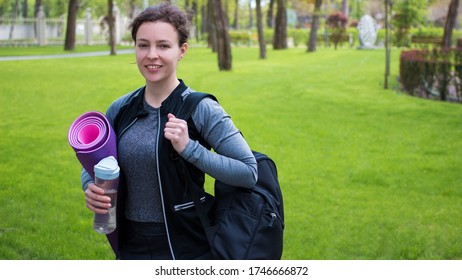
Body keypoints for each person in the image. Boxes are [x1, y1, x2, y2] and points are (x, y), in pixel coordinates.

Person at [81, 3, 257, 260]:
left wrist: (190, 149)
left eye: (163, 46)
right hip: (130, 244)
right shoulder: (120, 109)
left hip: (187, 245)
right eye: (143, 45)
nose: (152, 55)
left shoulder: (202, 108)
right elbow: (95, 164)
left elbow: (249, 172)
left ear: (181, 50)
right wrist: (90, 188)